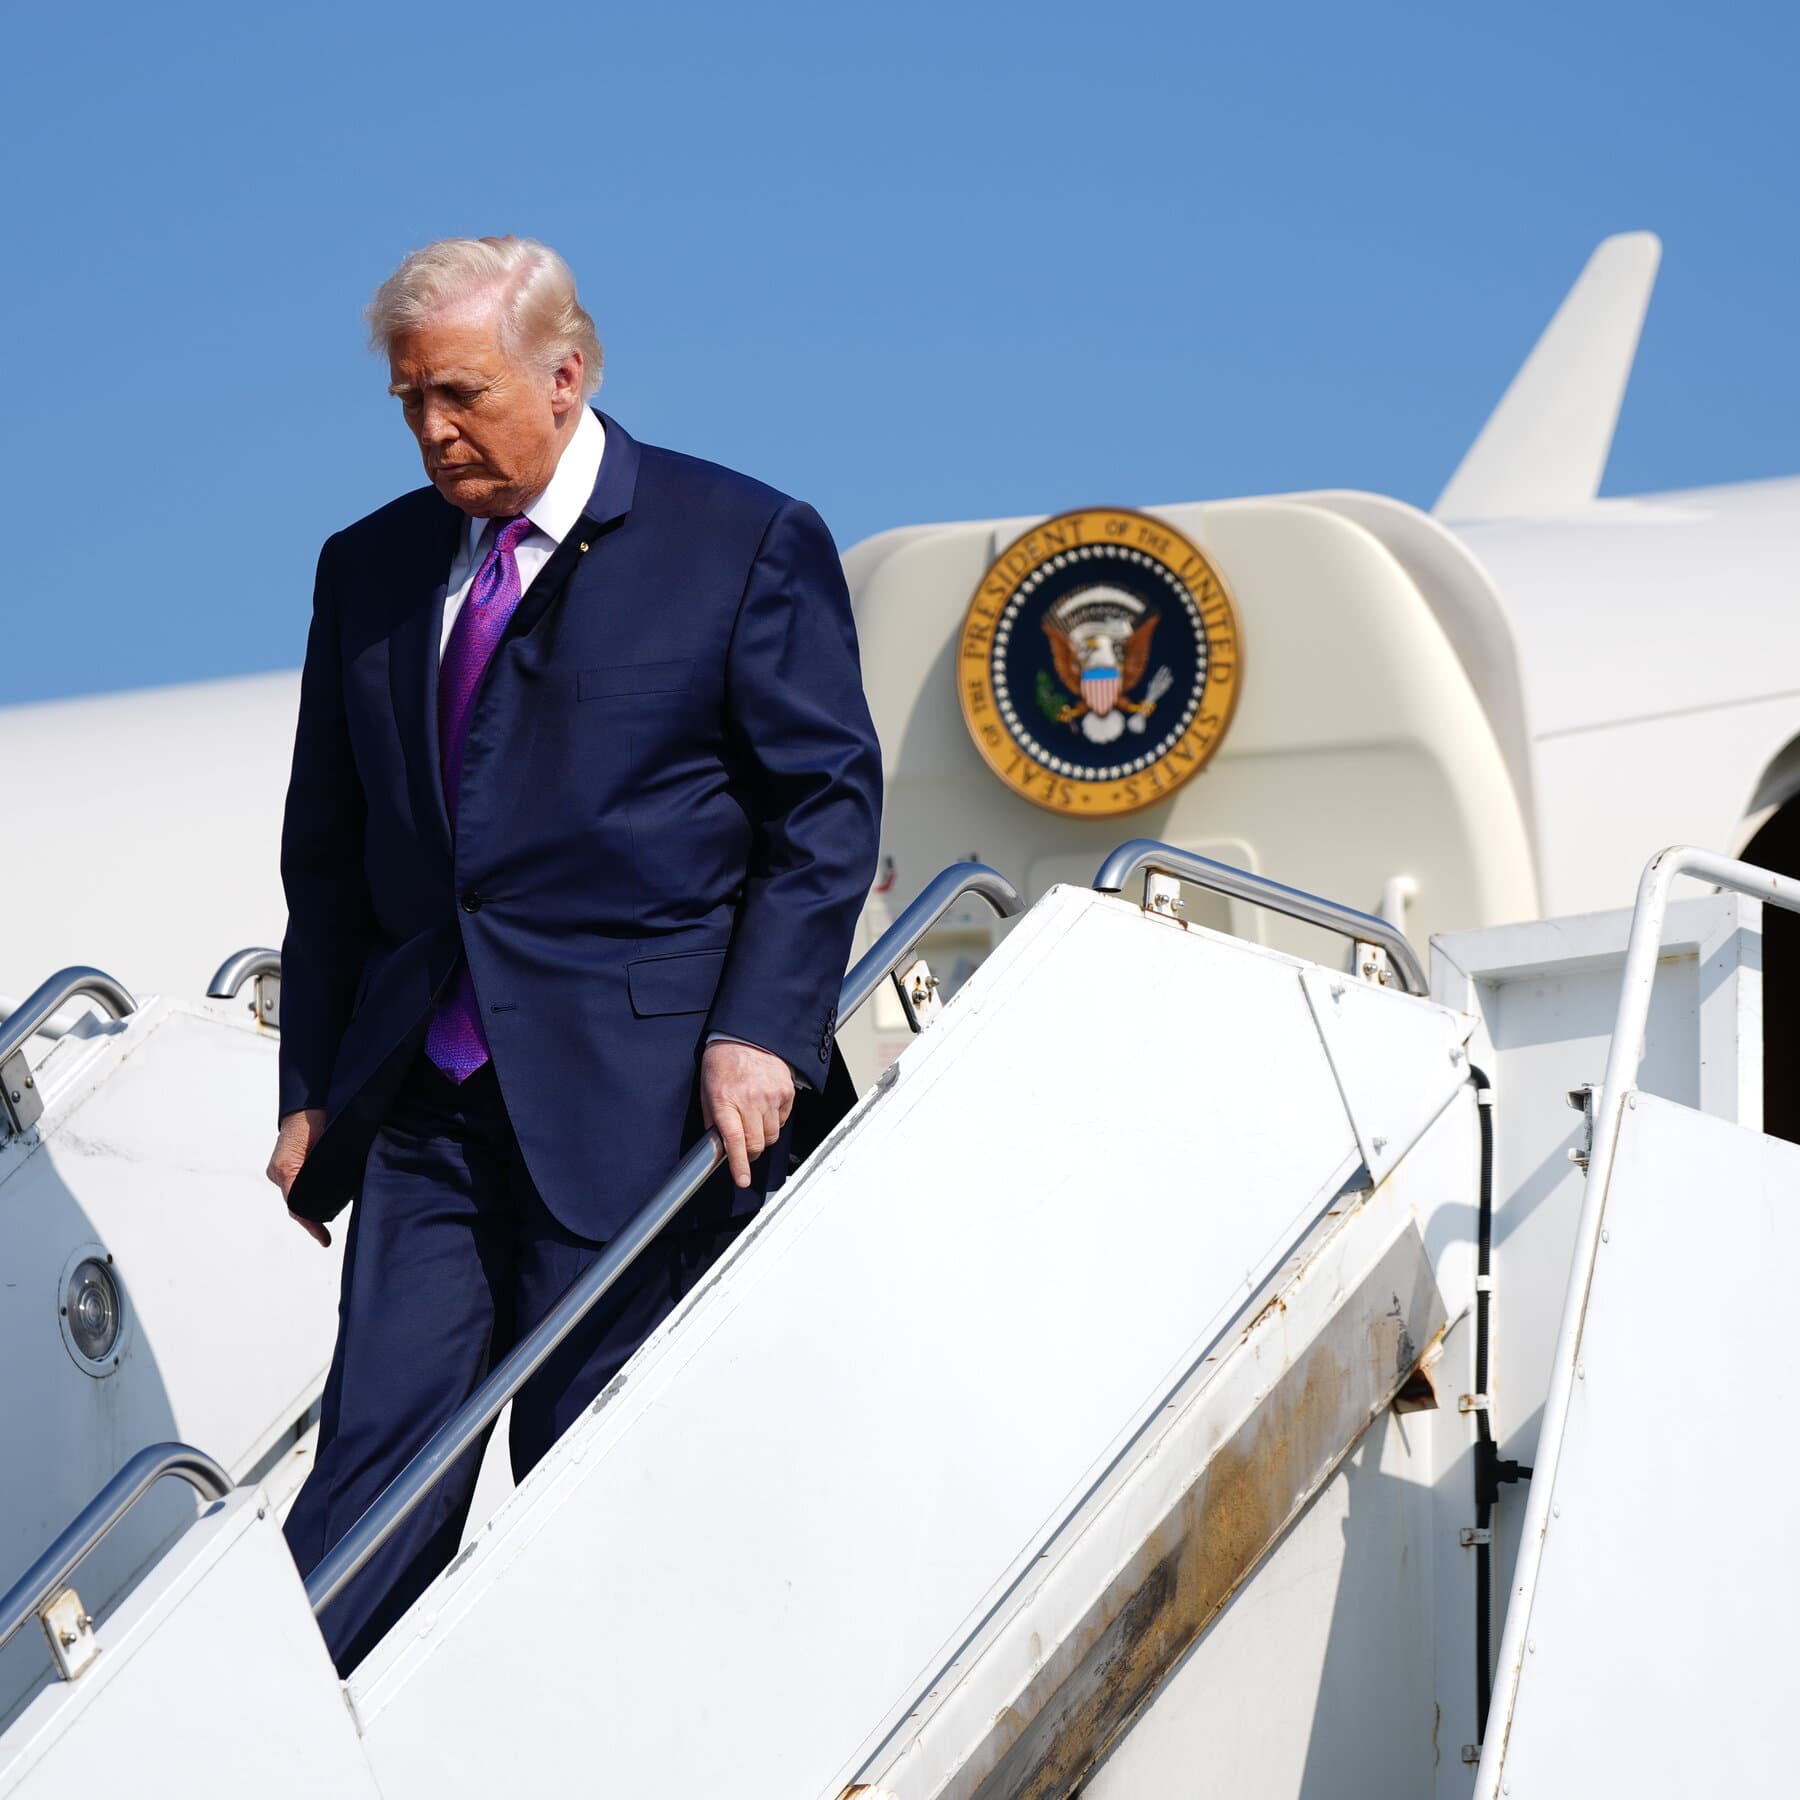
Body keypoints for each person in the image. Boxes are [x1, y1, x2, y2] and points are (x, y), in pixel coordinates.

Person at [267, 235, 881, 1674]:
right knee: (370, 1472)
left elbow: (825, 807)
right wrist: (312, 1087)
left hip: (647, 1094)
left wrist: (763, 1031)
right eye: (412, 401)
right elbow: (332, 858)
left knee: (594, 1458)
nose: (433, 430)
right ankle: (284, 1748)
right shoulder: (368, 569)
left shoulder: (738, 539)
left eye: (462, 395)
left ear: (566, 374)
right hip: (425, 1098)